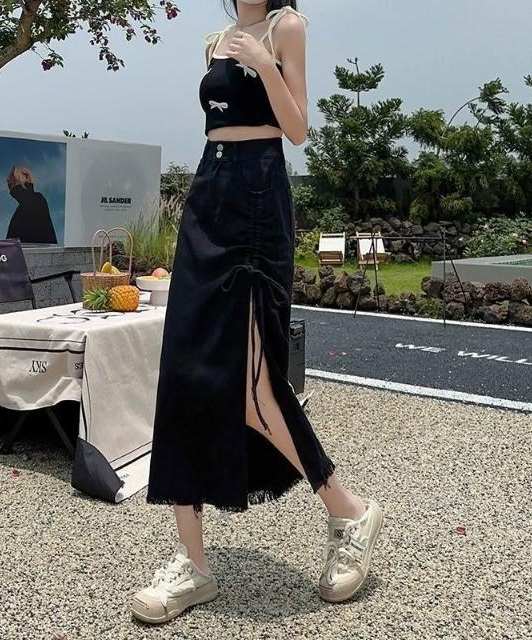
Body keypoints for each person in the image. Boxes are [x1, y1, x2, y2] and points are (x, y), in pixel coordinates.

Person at [132, 1, 383, 624]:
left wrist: (265, 64)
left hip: (257, 193)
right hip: (208, 190)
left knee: (252, 390)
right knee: (184, 375)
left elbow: (297, 128)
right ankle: (193, 563)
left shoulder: (285, 26)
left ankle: (349, 511)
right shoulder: (215, 38)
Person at [5, 165, 58, 244]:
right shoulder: (29, 203)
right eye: (9, 184)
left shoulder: (35, 200)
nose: (10, 186)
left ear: (23, 178)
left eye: (12, 181)